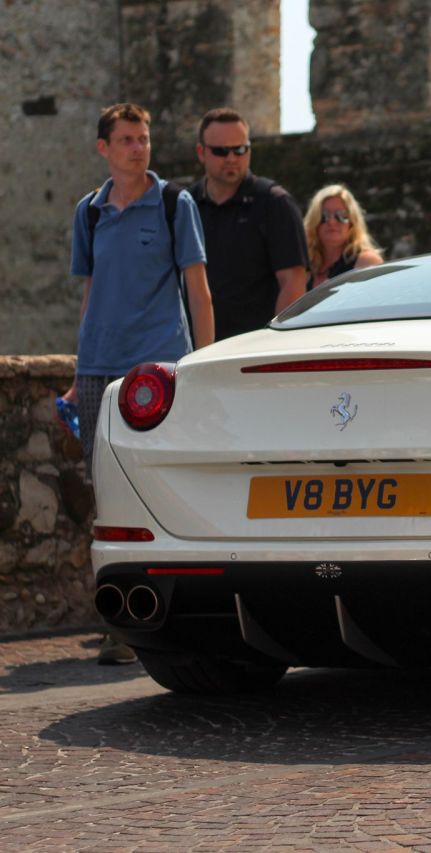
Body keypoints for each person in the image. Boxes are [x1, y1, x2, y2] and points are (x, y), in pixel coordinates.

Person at [67, 103, 214, 665]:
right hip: (96, 367)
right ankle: (118, 617)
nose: (138, 147)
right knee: (104, 493)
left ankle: (159, 619)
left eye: (144, 138)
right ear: (103, 147)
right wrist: (78, 366)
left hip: (156, 368)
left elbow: (198, 292)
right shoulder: (89, 212)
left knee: (157, 488)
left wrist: (200, 367)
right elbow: (90, 293)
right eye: (126, 139)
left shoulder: (175, 204)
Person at [190, 108, 308, 341]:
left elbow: (293, 282)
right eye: (221, 151)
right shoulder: (187, 204)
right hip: (196, 349)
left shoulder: (274, 203)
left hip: (253, 348)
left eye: (240, 149)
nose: (232, 158)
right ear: (201, 153)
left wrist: (275, 344)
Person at [303, 184, 383, 289]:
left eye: (341, 215)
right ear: (314, 221)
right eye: (324, 215)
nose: (332, 221)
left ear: (352, 223)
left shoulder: (366, 262)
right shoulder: (304, 266)